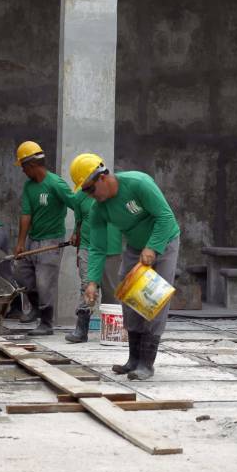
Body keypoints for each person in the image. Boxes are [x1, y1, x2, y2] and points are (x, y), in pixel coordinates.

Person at [77, 155, 180, 380]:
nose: (90, 196)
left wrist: (153, 247)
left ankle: (146, 363)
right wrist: (92, 282)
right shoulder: (99, 209)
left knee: (153, 298)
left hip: (163, 241)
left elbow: (165, 217)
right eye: (85, 192)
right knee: (128, 294)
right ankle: (133, 359)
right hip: (135, 247)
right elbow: (96, 247)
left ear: (103, 177)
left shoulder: (138, 184)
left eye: (91, 189)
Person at [13, 140, 75, 336]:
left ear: (31, 165)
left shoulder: (55, 184)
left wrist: (78, 230)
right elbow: (26, 215)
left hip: (51, 241)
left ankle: (46, 324)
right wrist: (21, 243)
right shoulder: (29, 187)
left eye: (23, 167)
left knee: (44, 284)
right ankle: (35, 311)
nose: (22, 171)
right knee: (23, 276)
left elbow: (78, 206)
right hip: (33, 239)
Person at [65, 153, 123, 344]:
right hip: (88, 247)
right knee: (86, 286)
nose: (88, 191)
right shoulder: (80, 197)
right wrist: (76, 233)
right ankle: (81, 330)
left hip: (111, 248)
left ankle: (112, 331)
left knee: (111, 290)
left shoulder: (114, 194)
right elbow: (80, 219)